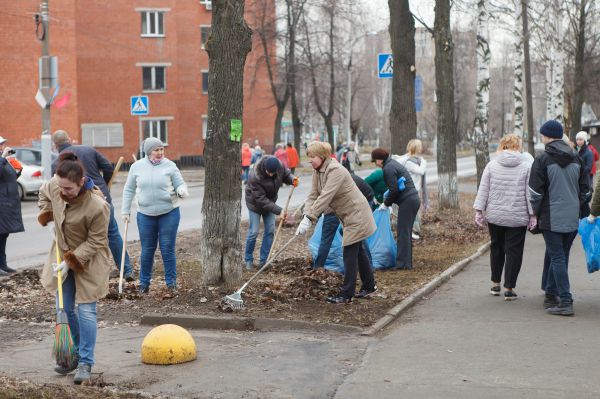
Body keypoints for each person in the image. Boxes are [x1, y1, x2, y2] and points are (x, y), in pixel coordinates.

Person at [37, 152, 110, 384]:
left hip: (89, 260)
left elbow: (97, 241)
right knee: (64, 309)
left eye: (68, 189)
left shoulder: (97, 205)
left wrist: (71, 262)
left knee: (86, 311)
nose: (63, 192)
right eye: (60, 187)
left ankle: (86, 362)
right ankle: (74, 354)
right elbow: (44, 193)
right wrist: (48, 216)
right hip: (60, 255)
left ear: (81, 183)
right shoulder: (55, 186)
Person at [296, 141, 377, 304]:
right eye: (308, 158)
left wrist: (311, 217)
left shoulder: (336, 170)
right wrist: (305, 215)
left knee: (349, 252)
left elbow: (326, 196)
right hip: (347, 215)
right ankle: (369, 285)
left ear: (321, 156)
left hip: (357, 214)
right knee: (358, 250)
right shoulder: (317, 171)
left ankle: (346, 294)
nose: (309, 161)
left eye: (312, 157)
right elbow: (313, 195)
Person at [52, 130, 134, 282]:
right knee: (112, 234)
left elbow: (56, 187)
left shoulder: (57, 163)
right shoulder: (88, 149)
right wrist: (105, 185)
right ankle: (126, 269)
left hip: (78, 206)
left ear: (55, 145)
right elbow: (108, 167)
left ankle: (88, 274)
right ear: (69, 139)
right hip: (102, 197)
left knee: (85, 240)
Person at [529, 120, 589, 316]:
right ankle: (551, 293)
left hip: (551, 216)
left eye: (543, 135)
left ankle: (565, 300)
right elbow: (585, 190)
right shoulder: (576, 158)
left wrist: (536, 213)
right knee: (561, 257)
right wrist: (577, 207)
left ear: (547, 136)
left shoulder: (542, 159)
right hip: (572, 217)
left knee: (557, 258)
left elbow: (535, 193)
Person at [121, 138, 188, 295]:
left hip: (169, 212)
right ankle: (144, 284)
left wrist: (182, 190)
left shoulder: (170, 165)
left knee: (167, 248)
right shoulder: (136, 167)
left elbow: (180, 183)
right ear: (148, 151)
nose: (160, 153)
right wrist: (125, 211)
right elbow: (129, 189)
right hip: (145, 215)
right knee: (147, 250)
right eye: (156, 150)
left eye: (162, 149)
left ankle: (171, 283)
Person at [473, 134, 535, 300]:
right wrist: (532, 214)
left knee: (496, 247)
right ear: (518, 146)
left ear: (502, 146)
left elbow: (483, 189)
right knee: (514, 251)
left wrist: (479, 210)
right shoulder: (526, 166)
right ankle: (509, 288)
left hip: (495, 215)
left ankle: (495, 284)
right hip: (517, 216)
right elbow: (529, 194)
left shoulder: (492, 165)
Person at [313, 170, 374, 269]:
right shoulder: (327, 177)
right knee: (334, 235)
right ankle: (318, 267)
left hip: (363, 201)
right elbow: (315, 197)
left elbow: (328, 204)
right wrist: (308, 215)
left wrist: (315, 214)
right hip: (343, 203)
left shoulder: (338, 181)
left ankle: (367, 265)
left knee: (357, 234)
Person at [245, 156, 297, 269]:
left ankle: (263, 261)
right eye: (269, 172)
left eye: (273, 173)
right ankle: (248, 260)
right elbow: (261, 200)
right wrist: (279, 211)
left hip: (270, 203)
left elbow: (286, 175)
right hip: (255, 204)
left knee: (270, 230)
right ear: (264, 168)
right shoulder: (255, 176)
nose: (270, 175)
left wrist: (292, 179)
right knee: (254, 232)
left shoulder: (279, 166)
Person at [372, 148, 420, 270]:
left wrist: (386, 204)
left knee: (403, 233)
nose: (375, 164)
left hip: (408, 201)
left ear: (379, 159)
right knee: (405, 233)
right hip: (411, 200)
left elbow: (394, 189)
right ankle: (406, 264)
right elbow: (394, 188)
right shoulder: (392, 164)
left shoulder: (388, 168)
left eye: (375, 161)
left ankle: (401, 264)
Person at [393, 139, 429, 239]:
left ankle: (414, 231)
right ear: (416, 148)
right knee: (413, 212)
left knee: (416, 211)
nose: (421, 148)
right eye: (420, 146)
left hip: (415, 190)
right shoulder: (409, 162)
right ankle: (412, 232)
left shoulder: (413, 159)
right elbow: (421, 171)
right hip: (410, 191)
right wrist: (424, 162)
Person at [0, 136, 24, 276]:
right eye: (1, 145)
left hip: (7, 204)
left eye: (3, 145)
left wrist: (17, 169)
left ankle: (3, 265)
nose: (3, 147)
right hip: (2, 204)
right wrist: (3, 158)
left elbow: (10, 178)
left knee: (3, 235)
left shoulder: (4, 161)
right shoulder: (1, 160)